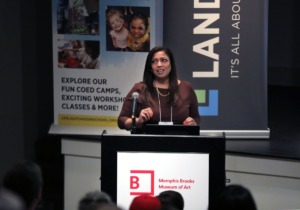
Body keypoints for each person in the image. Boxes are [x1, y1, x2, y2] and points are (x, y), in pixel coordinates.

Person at [118, 46, 201, 133]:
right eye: (154, 61)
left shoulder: (186, 88)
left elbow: (196, 118)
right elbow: (121, 121)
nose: (159, 65)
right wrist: (138, 120)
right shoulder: (139, 88)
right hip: (147, 144)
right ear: (150, 66)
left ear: (171, 64)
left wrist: (193, 123)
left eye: (164, 60)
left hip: (180, 143)